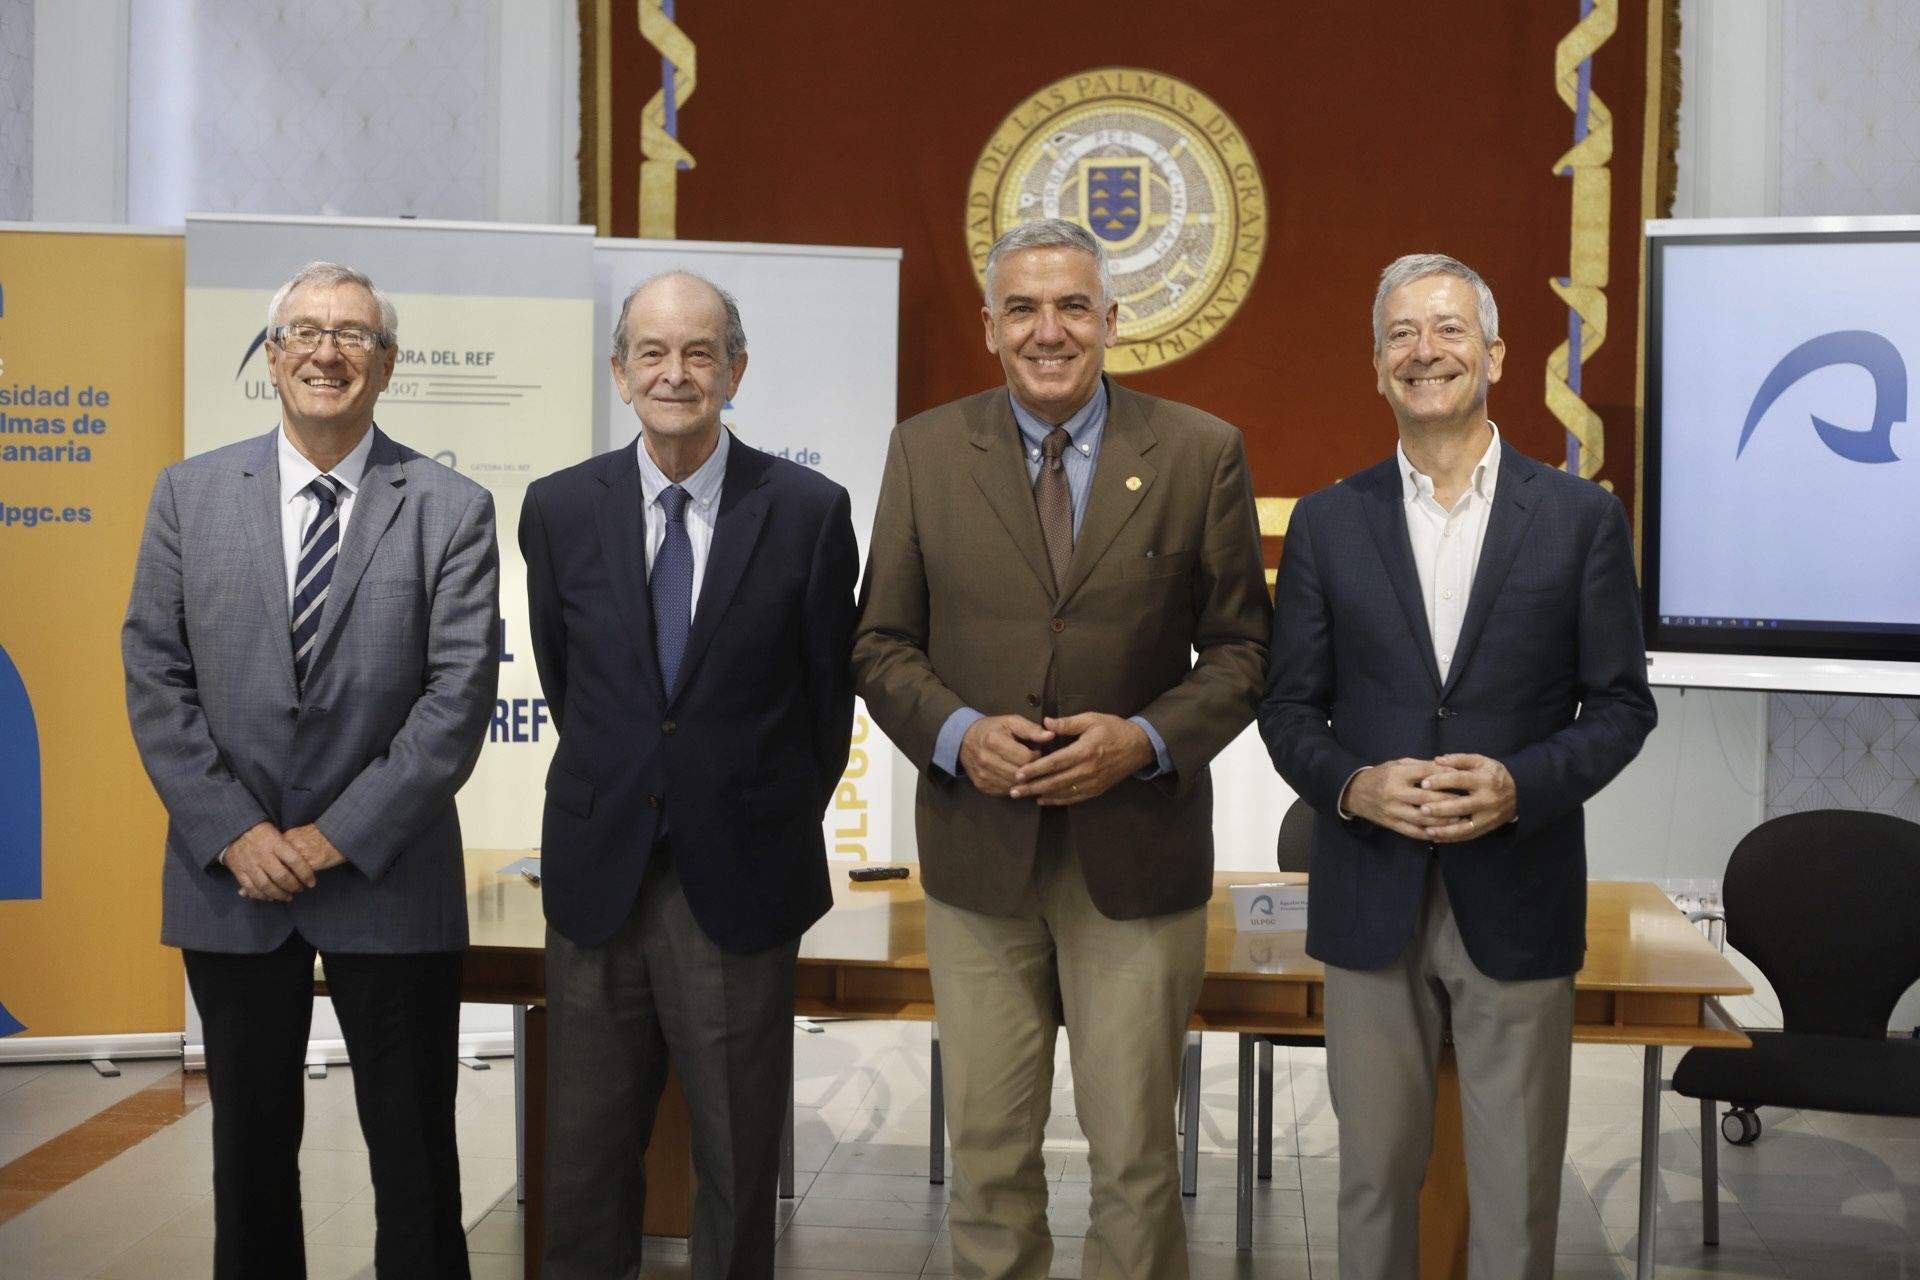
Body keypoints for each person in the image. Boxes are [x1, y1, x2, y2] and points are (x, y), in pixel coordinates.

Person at [853, 219, 1270, 1279]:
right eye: (1025, 309)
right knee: (988, 1155)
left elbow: (1242, 651)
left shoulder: (1199, 451)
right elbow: (880, 641)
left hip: (1136, 858)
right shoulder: (925, 451)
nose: (1050, 330)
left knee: (1136, 1158)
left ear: (1111, 320)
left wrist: (1145, 739)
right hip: (978, 858)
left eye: (1074, 307)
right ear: (990, 326)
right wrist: (958, 735)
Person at [1259, 253, 1657, 1279]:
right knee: (1371, 1179)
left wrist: (1524, 784)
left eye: (1447, 329)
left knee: (1517, 1189)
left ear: (1496, 355)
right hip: (1368, 894)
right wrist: (1352, 784)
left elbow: (1622, 706)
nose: (1423, 351)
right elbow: (1287, 708)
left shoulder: (1578, 518)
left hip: (1518, 890)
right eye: (1400, 333)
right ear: (1376, 366)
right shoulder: (1327, 521)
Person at [123, 260, 500, 1280]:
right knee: (248, 1160)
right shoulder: (189, 494)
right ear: (272, 357)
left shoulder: (452, 506)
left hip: (388, 874)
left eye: (353, 335)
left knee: (415, 1160)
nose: (327, 352)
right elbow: (155, 675)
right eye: (304, 332)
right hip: (232, 881)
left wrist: (336, 836)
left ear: (388, 363)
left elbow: (456, 698)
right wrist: (236, 832)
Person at [520, 271, 858, 1279]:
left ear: (735, 371)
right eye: (654, 353)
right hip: (598, 875)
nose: (676, 373)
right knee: (583, 1166)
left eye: (700, 353)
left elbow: (826, 706)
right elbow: (568, 681)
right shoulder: (558, 508)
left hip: (741, 881)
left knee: (737, 1162)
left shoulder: (807, 510)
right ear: (620, 372)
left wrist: (751, 813)